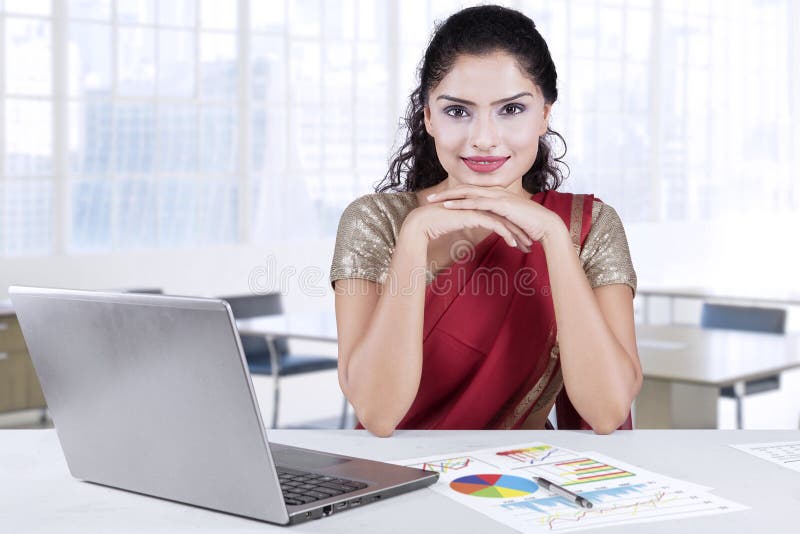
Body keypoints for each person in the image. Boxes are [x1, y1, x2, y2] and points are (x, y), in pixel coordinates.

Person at [329, 5, 641, 437]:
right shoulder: (374, 221)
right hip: (400, 484)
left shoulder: (586, 226)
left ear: (545, 116)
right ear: (428, 118)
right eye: (458, 111)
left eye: (511, 109)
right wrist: (415, 235)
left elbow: (606, 411)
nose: (483, 138)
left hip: (527, 485)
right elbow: (379, 415)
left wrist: (552, 235)